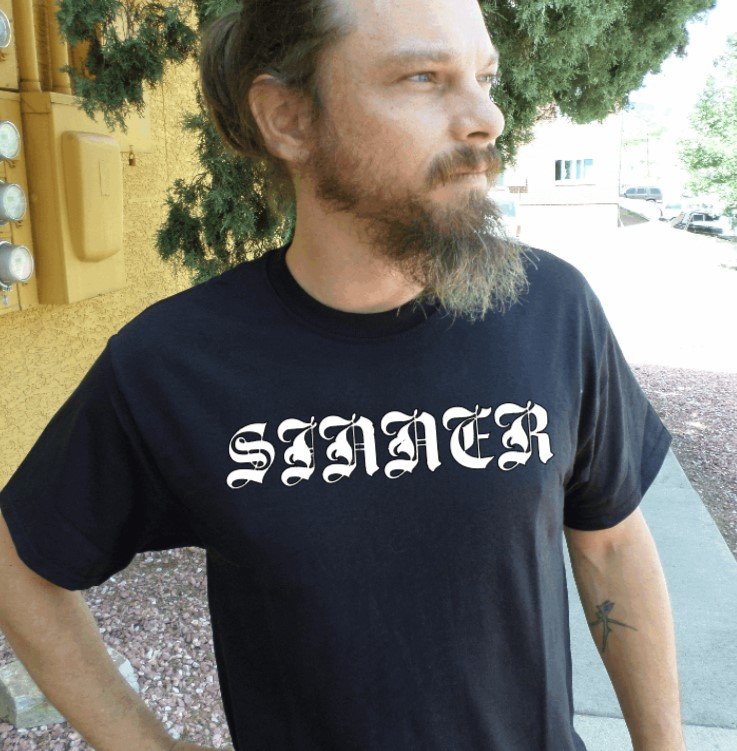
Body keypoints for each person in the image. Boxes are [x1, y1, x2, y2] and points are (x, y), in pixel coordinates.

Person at [0, 0, 686, 749]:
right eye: (424, 77)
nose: (486, 118)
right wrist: (142, 743)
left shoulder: (550, 308)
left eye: (484, 78)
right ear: (289, 119)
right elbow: (18, 560)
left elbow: (610, 543)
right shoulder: (176, 362)